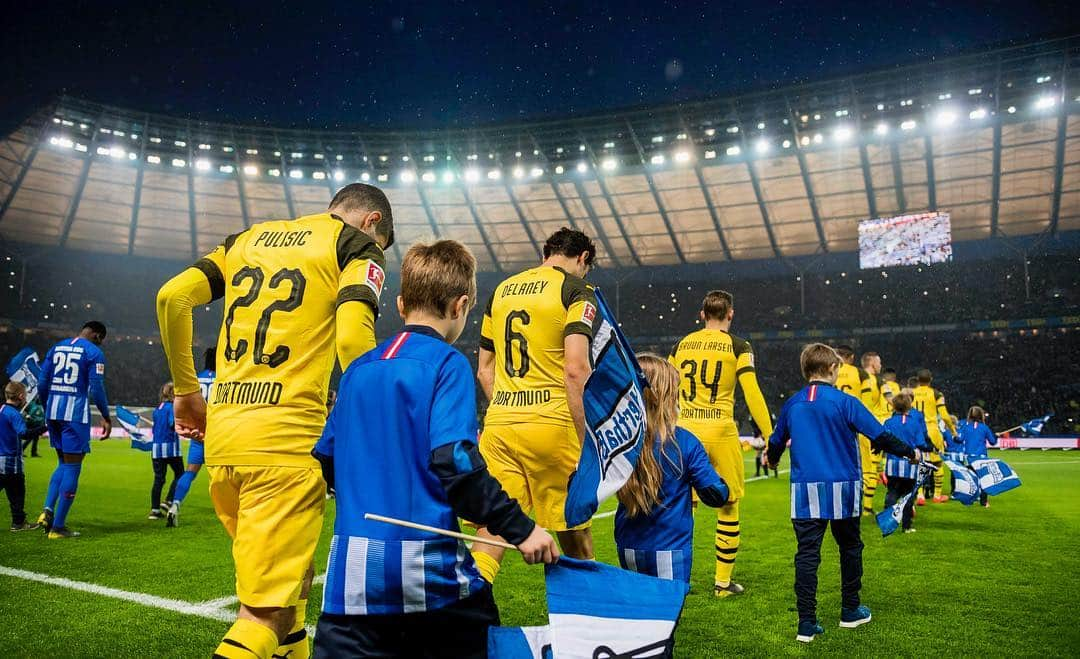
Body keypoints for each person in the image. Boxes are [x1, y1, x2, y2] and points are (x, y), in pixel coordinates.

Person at [156, 183, 393, 659]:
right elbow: (351, 339)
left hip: (225, 442)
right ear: (372, 222)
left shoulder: (245, 240)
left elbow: (172, 297)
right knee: (263, 615)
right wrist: (378, 422)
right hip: (285, 445)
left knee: (289, 594)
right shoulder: (352, 245)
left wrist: (185, 392)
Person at [311, 240, 558, 658]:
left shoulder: (356, 370)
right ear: (461, 305)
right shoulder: (446, 364)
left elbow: (328, 459)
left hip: (349, 582)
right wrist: (522, 528)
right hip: (426, 578)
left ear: (402, 303)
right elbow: (456, 463)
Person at [763, 343, 919, 644]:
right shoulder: (844, 401)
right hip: (843, 487)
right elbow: (881, 435)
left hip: (805, 488)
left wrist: (772, 456)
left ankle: (806, 624)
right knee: (850, 547)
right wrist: (909, 452)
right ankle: (850, 610)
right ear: (833, 369)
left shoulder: (793, 403)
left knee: (807, 554)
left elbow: (777, 440)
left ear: (805, 370)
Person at [472, 227, 599, 581]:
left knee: (492, 528)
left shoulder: (500, 291)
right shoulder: (577, 290)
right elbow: (575, 369)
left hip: (500, 424)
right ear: (583, 258)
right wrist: (584, 439)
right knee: (575, 533)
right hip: (553, 425)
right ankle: (586, 624)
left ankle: (469, 607)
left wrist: (509, 404)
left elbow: (484, 370)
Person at [668, 290, 773, 597]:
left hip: (684, 431)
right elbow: (752, 393)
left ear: (702, 314)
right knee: (728, 505)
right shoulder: (739, 346)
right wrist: (769, 434)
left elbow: (664, 386)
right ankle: (722, 584)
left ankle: (678, 582)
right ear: (730, 314)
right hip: (722, 431)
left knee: (680, 506)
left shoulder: (681, 345)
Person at [614, 354, 729, 584]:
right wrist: (722, 482)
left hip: (627, 546)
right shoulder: (684, 442)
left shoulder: (619, 440)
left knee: (639, 614)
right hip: (671, 549)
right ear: (664, 395)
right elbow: (716, 495)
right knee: (667, 618)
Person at [34, 321, 112, 538]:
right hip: (74, 415)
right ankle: (58, 528)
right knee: (73, 468)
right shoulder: (94, 352)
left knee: (62, 463)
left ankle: (47, 511)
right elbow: (96, 388)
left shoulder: (57, 347)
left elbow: (42, 381)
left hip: (53, 412)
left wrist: (46, 404)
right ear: (97, 336)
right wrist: (106, 416)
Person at [166, 348, 215, 527]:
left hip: (198, 434)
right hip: (218, 433)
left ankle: (175, 505)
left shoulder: (196, 380)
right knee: (228, 474)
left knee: (190, 472)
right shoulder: (224, 379)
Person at [881, 393, 933, 533]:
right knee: (908, 496)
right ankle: (906, 526)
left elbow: (884, 441)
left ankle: (887, 522)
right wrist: (931, 448)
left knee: (892, 493)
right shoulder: (914, 423)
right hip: (911, 465)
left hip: (893, 465)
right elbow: (921, 443)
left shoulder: (889, 422)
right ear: (910, 406)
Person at [834, 346, 876, 517]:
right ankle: (862, 507)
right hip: (854, 427)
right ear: (851, 357)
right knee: (864, 468)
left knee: (836, 468)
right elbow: (866, 406)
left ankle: (837, 506)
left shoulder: (830, 372)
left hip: (834, 427)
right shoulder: (861, 374)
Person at [912, 369, 957, 504]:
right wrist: (953, 431)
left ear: (917, 380)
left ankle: (920, 496)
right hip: (932, 430)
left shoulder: (911, 393)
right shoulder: (936, 394)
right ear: (930, 379)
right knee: (937, 463)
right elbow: (944, 416)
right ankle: (937, 495)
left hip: (916, 430)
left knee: (919, 463)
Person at [149, 382, 184, 520]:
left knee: (159, 479)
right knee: (181, 474)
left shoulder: (158, 408)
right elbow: (172, 424)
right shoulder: (172, 407)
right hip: (171, 448)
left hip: (156, 449)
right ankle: (168, 501)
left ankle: (154, 510)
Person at [1, 382, 33, 530]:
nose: (26, 398)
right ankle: (18, 523)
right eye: (25, 395)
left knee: (13, 492)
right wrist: (45, 427)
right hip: (11, 461)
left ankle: (18, 522)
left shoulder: (2, 409)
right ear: (20, 396)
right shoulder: (14, 414)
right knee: (17, 493)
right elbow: (24, 434)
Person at [859, 352, 887, 515]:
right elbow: (892, 399)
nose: (880, 365)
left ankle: (858, 506)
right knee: (870, 469)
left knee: (860, 469)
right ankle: (866, 508)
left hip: (855, 427)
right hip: (871, 428)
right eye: (879, 362)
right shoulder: (877, 381)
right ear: (872, 363)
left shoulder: (856, 377)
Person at [959, 406, 998, 507]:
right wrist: (996, 436)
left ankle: (969, 500)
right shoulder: (984, 427)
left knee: (970, 479)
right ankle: (984, 502)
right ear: (981, 415)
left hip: (968, 457)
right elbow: (993, 442)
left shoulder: (965, 427)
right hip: (981, 457)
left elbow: (959, 439)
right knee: (983, 479)